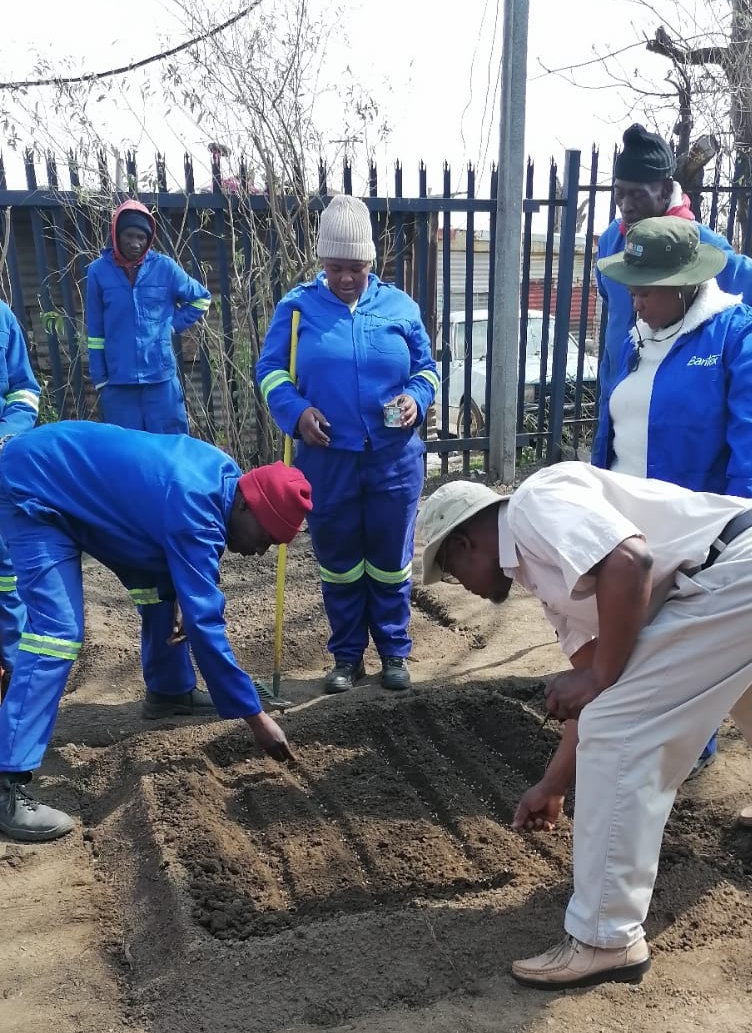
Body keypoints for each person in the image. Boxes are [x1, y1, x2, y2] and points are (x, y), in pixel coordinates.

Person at [417, 465, 752, 989]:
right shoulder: (545, 579)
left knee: (623, 732)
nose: (462, 587)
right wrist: (553, 784)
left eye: (454, 573)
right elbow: (599, 683)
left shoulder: (534, 505)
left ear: (466, 543)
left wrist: (598, 679)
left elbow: (631, 559)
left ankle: (606, 937)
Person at [0, 422, 312, 842]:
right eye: (267, 537)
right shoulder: (194, 509)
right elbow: (205, 623)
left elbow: (184, 550)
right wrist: (254, 718)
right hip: (34, 488)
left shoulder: (224, 474)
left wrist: (185, 590)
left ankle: (169, 690)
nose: (261, 552)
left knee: (159, 587)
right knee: (57, 632)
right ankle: (7, 781)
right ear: (244, 506)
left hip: (75, 487)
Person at [595, 215, 752, 775]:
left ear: (683, 285)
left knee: (684, 641)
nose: (636, 304)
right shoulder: (638, 336)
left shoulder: (739, 333)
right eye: (631, 292)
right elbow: (614, 425)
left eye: (646, 292)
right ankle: (635, 734)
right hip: (628, 513)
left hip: (697, 522)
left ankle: (684, 751)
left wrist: (735, 523)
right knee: (629, 630)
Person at [256, 194, 439, 694]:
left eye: (355, 268)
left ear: (371, 263)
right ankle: (346, 657)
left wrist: (416, 400)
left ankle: (394, 653)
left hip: (394, 460)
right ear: (320, 263)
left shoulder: (400, 307)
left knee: (390, 560)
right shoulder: (297, 309)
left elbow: (427, 369)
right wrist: (296, 413)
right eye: (335, 267)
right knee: (339, 563)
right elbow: (270, 371)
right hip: (326, 462)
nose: (345, 278)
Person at [592, 123, 752, 451]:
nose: (625, 204)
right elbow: (614, 309)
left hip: (671, 416)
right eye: (619, 192)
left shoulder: (699, 250)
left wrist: (722, 360)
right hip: (615, 405)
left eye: (636, 194)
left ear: (663, 189)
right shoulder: (611, 243)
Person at [86, 199, 212, 435]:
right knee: (126, 454)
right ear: (116, 235)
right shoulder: (98, 272)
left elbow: (201, 298)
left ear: (149, 239)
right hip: (118, 383)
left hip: (161, 380)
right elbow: (95, 331)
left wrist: (171, 326)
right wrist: (100, 379)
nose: (135, 243)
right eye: (129, 236)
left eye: (141, 238)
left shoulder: (164, 268)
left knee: (171, 449)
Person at [0, 302, 42, 699]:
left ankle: (14, 685)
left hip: (0, 465)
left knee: (6, 579)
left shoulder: (3, 318)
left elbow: (25, 390)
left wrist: (8, 434)